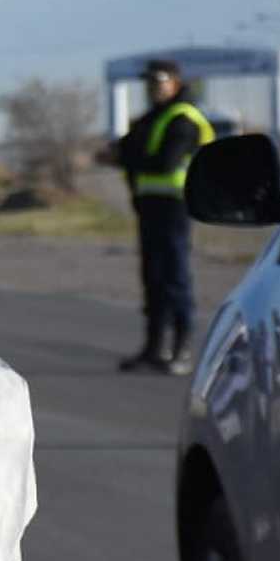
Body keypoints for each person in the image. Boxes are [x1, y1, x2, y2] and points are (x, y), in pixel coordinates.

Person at [102, 58, 214, 374]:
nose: (154, 87)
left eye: (160, 81)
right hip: (148, 205)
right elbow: (119, 150)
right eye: (150, 82)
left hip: (175, 206)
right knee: (152, 278)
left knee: (175, 277)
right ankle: (154, 348)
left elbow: (163, 162)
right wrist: (127, 156)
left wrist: (128, 157)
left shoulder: (184, 118)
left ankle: (182, 350)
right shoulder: (151, 118)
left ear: (176, 82)